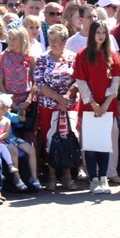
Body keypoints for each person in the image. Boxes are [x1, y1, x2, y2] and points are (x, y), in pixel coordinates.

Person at [72, 20, 120, 194]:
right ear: (92, 34)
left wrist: (106, 104)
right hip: (89, 108)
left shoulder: (111, 55)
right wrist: (93, 104)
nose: (101, 35)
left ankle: (103, 178)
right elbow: (81, 82)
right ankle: (93, 178)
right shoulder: (82, 55)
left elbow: (115, 81)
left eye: (103, 32)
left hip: (108, 107)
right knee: (91, 144)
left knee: (104, 144)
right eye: (98, 32)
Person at [34, 24, 79, 190]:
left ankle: (67, 176)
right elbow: (39, 82)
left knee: (68, 138)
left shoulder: (73, 58)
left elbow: (79, 80)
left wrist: (66, 97)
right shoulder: (42, 59)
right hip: (49, 106)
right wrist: (57, 98)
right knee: (50, 139)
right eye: (50, 39)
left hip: (69, 105)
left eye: (56, 40)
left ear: (64, 41)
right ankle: (51, 175)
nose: (52, 43)